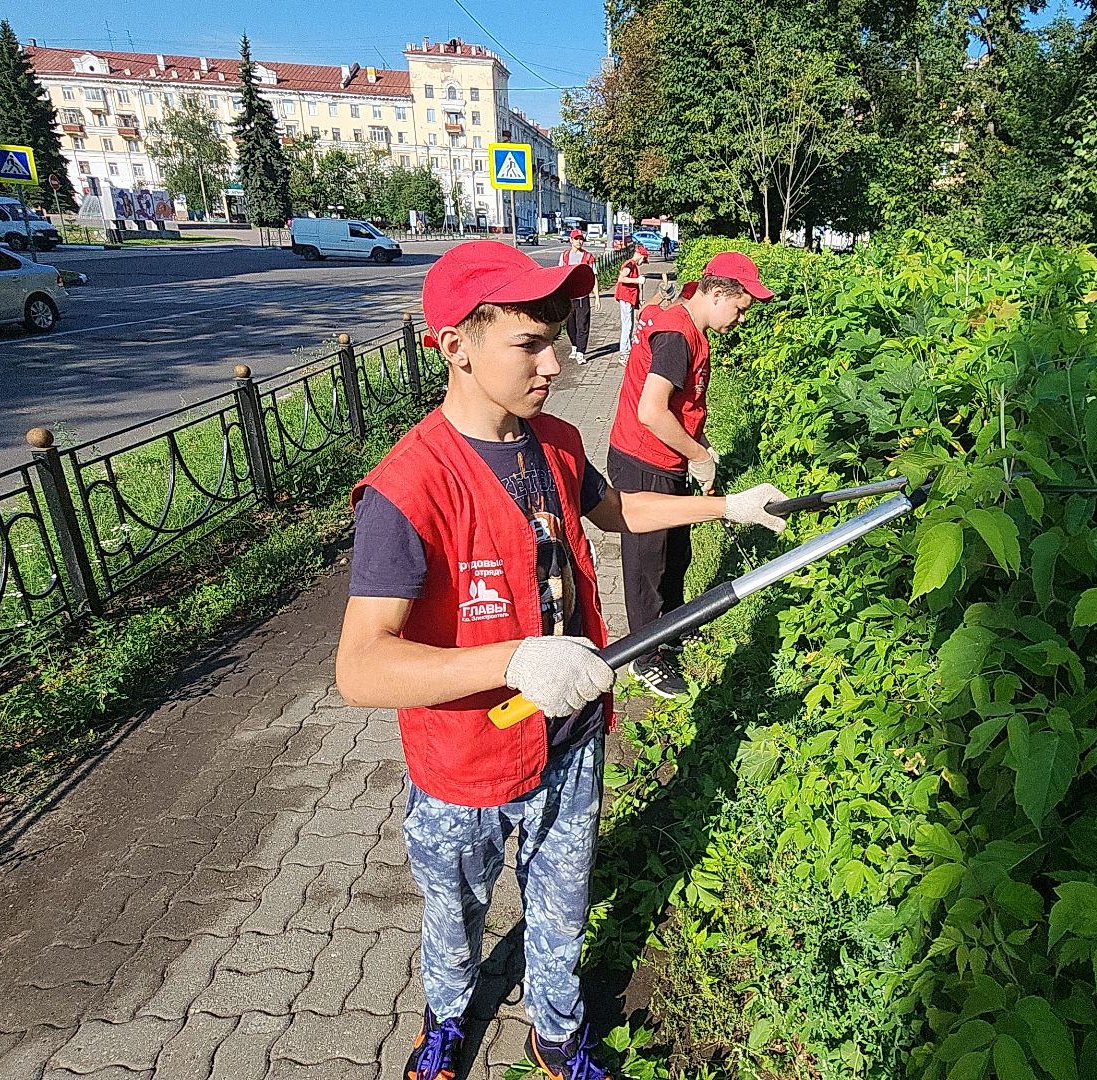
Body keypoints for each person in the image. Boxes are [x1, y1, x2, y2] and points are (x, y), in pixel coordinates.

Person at [333, 241, 787, 1080]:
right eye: (531, 343)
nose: (559, 359)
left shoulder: (557, 443)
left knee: (561, 908)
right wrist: (512, 661)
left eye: (559, 335)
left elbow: (617, 511)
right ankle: (446, 1019)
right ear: (455, 347)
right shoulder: (409, 488)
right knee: (455, 913)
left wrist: (727, 504)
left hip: (571, 742)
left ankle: (555, 1032)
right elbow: (361, 668)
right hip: (464, 763)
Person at [605, 251, 773, 697]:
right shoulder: (678, 337)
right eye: (739, 309)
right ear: (717, 293)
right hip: (644, 462)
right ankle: (645, 657)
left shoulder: (686, 319)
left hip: (666, 461)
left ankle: (672, 629)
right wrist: (699, 455)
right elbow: (651, 411)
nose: (739, 319)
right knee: (648, 565)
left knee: (676, 555)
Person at [556, 229, 596, 364]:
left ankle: (581, 352)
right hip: (568, 295)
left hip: (582, 295)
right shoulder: (565, 256)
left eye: (581, 239)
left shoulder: (588, 257)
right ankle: (574, 346)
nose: (579, 241)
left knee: (582, 324)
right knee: (570, 324)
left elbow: (593, 277)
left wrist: (596, 296)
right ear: (571, 240)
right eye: (576, 239)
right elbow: (559, 274)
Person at [612, 244, 648, 356]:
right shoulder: (630, 264)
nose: (643, 263)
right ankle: (624, 351)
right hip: (626, 297)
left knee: (629, 324)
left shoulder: (632, 265)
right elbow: (621, 278)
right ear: (640, 256)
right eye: (644, 260)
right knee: (627, 325)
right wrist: (637, 280)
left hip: (629, 298)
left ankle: (627, 347)